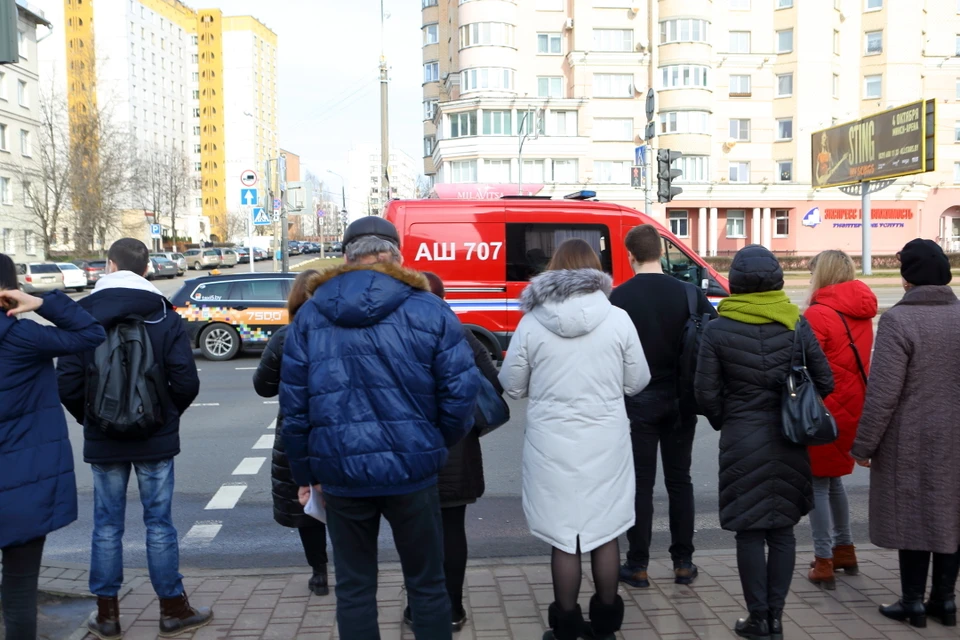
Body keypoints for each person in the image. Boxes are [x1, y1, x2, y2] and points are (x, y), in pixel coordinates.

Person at [279, 216, 479, 640]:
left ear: (347, 257)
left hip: (341, 475)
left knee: (353, 589)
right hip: (413, 471)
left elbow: (294, 408)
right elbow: (462, 395)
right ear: (397, 254)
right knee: (427, 584)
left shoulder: (311, 316)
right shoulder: (430, 309)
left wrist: (305, 474)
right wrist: (433, 443)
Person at [57, 238, 210, 639]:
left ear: (109, 265)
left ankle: (107, 616)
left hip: (103, 438)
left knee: (106, 525)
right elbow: (186, 381)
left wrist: (93, 419)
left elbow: (68, 382)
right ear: (146, 270)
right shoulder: (163, 314)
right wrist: (164, 415)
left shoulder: (81, 314)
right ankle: (173, 610)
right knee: (159, 524)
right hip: (155, 438)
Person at [499, 239, 650, 640]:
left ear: (554, 269)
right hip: (606, 440)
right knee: (605, 531)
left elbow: (512, 385)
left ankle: (565, 625)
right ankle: (604, 624)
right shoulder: (618, 318)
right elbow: (637, 382)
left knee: (564, 535)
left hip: (552, 442)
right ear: (595, 271)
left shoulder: (532, 321)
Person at [695, 245, 833, 640]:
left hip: (742, 438)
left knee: (750, 532)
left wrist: (729, 418)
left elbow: (705, 393)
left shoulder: (718, 328)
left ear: (735, 283)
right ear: (777, 279)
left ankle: (758, 618)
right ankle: (776, 618)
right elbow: (825, 380)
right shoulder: (795, 323)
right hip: (790, 439)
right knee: (783, 530)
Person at [851, 238, 960, 629]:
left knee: (914, 517)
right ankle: (945, 602)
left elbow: (883, 394)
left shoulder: (899, 320)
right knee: (951, 516)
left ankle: (912, 602)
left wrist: (864, 446)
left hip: (910, 440)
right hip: (956, 439)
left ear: (908, 277)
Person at [0, 254, 105, 640]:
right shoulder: (23, 336)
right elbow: (90, 334)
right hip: (25, 487)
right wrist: (42, 302)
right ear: (10, 289)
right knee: (20, 590)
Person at [610, 224, 716, 589]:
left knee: (639, 485)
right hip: (682, 400)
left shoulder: (618, 298)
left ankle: (637, 565)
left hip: (636, 401)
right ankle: (683, 563)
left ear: (630, 255)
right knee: (679, 481)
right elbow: (712, 342)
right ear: (659, 251)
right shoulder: (689, 294)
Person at [401, 272, 504, 631]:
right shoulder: (461, 333)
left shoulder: (401, 333)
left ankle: (418, 608)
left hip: (412, 449)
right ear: (444, 299)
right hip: (457, 447)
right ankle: (453, 609)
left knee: (415, 532)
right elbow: (493, 383)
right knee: (452, 529)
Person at [253, 269, 330, 597]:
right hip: (338, 430)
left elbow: (262, 386)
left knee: (307, 506)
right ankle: (355, 569)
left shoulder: (285, 338)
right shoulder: (341, 332)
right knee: (346, 505)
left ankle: (319, 574)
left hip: (296, 431)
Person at [803, 250, 877, 589]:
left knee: (818, 482)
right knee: (833, 482)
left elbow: (806, 364)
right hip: (854, 407)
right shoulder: (862, 311)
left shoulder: (818, 314)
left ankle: (824, 559)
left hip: (824, 409)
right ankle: (844, 549)